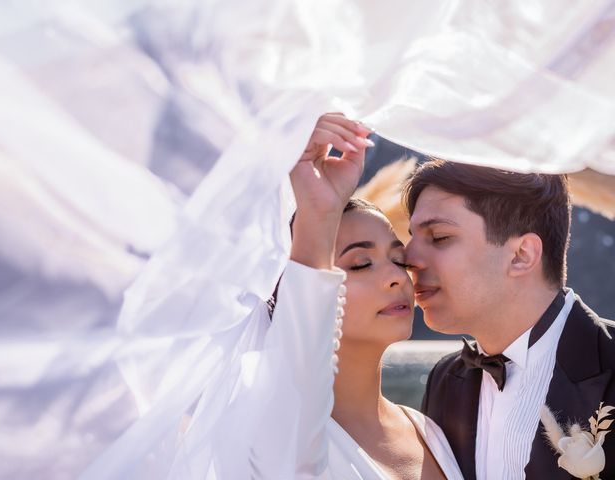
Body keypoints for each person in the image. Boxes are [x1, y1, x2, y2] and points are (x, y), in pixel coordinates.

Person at [244, 114, 464, 479]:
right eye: (361, 264)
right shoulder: (276, 430)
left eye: (398, 258)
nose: (396, 276)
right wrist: (318, 212)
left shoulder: (430, 432)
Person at [402, 160, 615, 479]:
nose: (409, 259)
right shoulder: (445, 380)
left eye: (439, 237)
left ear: (522, 256)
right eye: (411, 237)